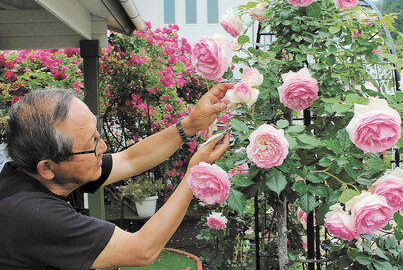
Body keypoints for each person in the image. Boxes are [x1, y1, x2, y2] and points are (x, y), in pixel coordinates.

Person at [0, 83, 233, 269]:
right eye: (92, 143)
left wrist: (191, 125)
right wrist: (195, 175)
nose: (102, 146)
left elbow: (130, 159)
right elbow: (142, 250)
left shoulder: (46, 174)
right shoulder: (30, 214)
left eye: (97, 134)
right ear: (47, 168)